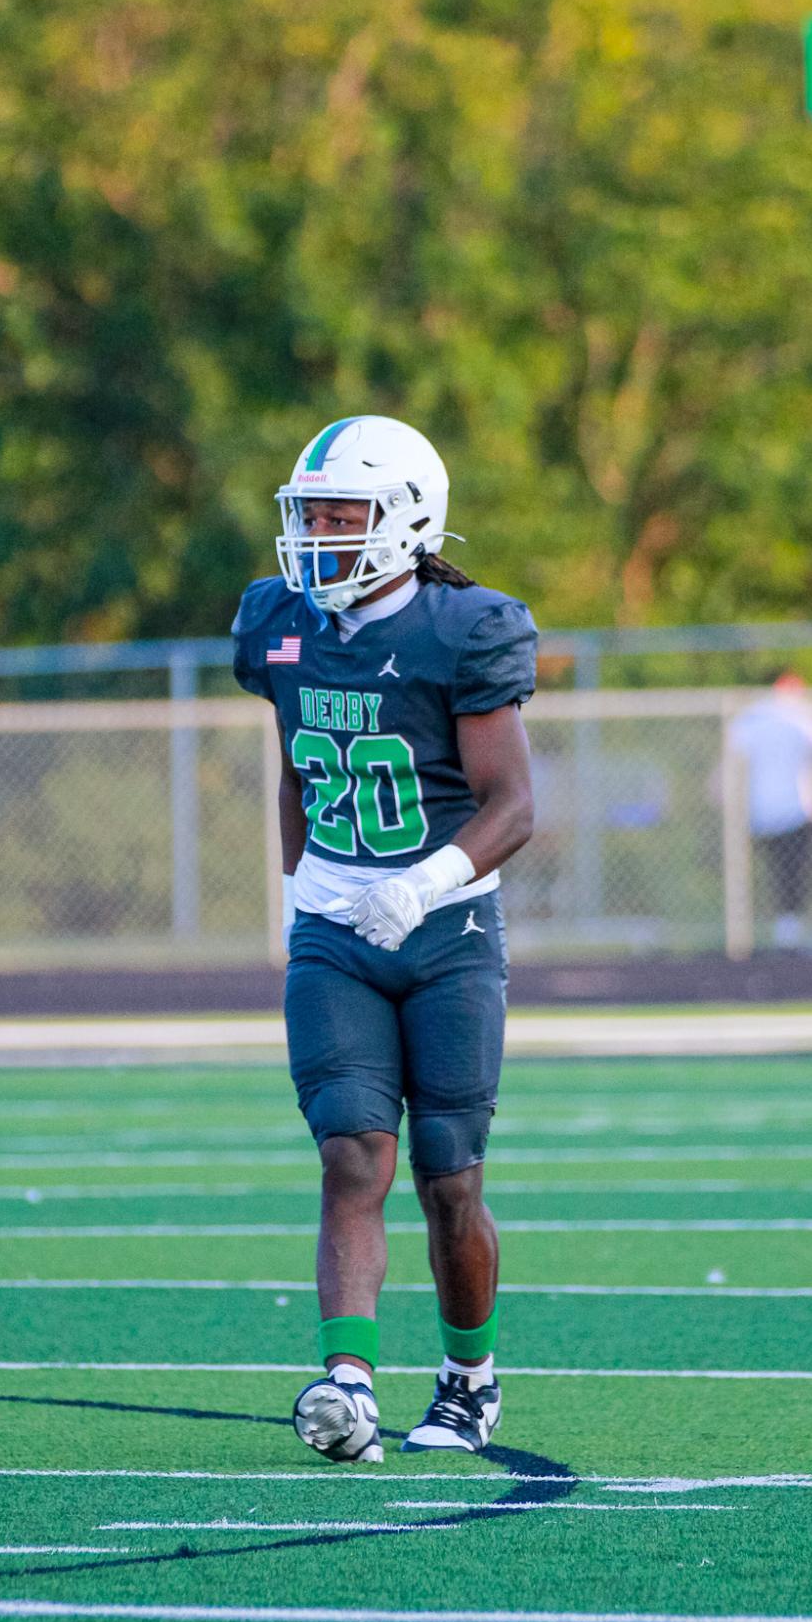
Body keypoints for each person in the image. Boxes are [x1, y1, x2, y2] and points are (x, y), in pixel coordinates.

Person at [231, 414, 536, 1463]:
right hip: (334, 931)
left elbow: (514, 804)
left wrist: (425, 885)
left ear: (406, 520)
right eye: (308, 513)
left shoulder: (463, 630)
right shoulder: (280, 622)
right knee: (349, 1154)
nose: (317, 535)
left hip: (444, 933)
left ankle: (467, 1378)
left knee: (449, 1178)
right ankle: (348, 1383)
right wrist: (293, 897)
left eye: (339, 514)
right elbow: (293, 773)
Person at [725, 672, 812, 948]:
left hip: (782, 810)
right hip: (782, 810)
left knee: (789, 870)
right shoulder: (797, 714)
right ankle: (780, 930)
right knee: (787, 871)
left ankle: (787, 930)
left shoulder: (755, 716)